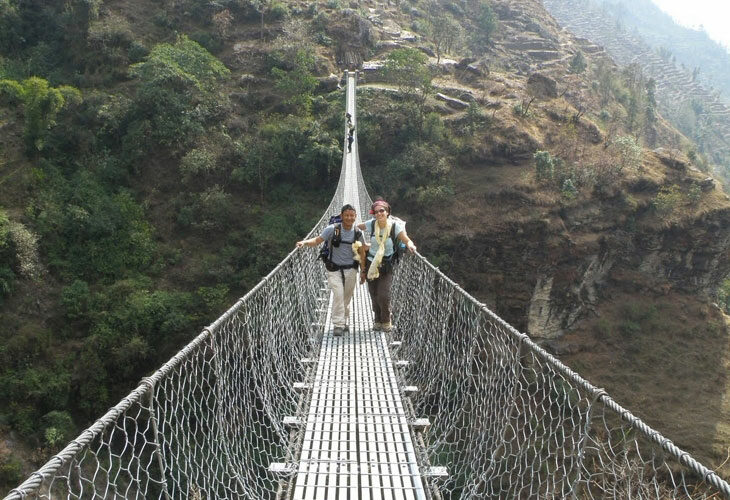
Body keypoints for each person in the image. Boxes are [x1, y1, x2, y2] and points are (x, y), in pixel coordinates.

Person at [296, 204, 366, 336]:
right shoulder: (332, 229)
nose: (349, 218)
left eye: (352, 215)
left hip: (351, 269)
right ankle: (338, 324)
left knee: (346, 297)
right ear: (341, 216)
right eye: (346, 215)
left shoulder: (358, 233)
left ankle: (344, 320)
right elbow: (317, 240)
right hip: (334, 268)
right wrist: (304, 243)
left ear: (356, 217)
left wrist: (363, 271)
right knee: (338, 295)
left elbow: (362, 252)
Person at [359, 199, 416, 332]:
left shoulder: (395, 227)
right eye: (376, 211)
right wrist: (345, 225)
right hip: (371, 262)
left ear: (388, 212)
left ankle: (386, 320)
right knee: (373, 293)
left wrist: (411, 245)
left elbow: (406, 240)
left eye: (382, 211)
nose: (379, 214)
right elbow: (357, 227)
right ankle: (377, 320)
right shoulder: (371, 224)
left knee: (383, 294)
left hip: (386, 264)